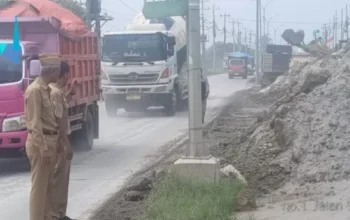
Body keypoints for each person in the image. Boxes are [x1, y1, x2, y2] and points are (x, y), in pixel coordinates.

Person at [24, 54, 62, 220]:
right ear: (52, 71)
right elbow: (34, 124)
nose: (59, 76)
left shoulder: (47, 90)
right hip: (42, 144)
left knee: (48, 187)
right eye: (58, 72)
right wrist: (43, 148)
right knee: (39, 188)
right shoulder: (34, 91)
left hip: (50, 141)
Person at [49, 60, 78, 220]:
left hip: (58, 143)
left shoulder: (56, 92)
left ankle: (59, 213)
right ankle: (57, 214)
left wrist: (71, 93)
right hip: (59, 144)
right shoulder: (56, 93)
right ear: (65, 74)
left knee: (61, 179)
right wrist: (67, 146)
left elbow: (61, 106)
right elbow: (59, 123)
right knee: (59, 180)